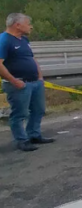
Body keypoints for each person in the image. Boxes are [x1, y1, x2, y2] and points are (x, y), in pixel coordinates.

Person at [0, 13, 55, 152]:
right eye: (28, 23)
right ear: (17, 25)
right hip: (18, 84)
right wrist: (14, 81)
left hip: (35, 82)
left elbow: (31, 58)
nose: (31, 26)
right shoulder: (4, 40)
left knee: (38, 110)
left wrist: (40, 76)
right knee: (20, 113)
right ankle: (22, 140)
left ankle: (34, 135)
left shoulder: (24, 40)